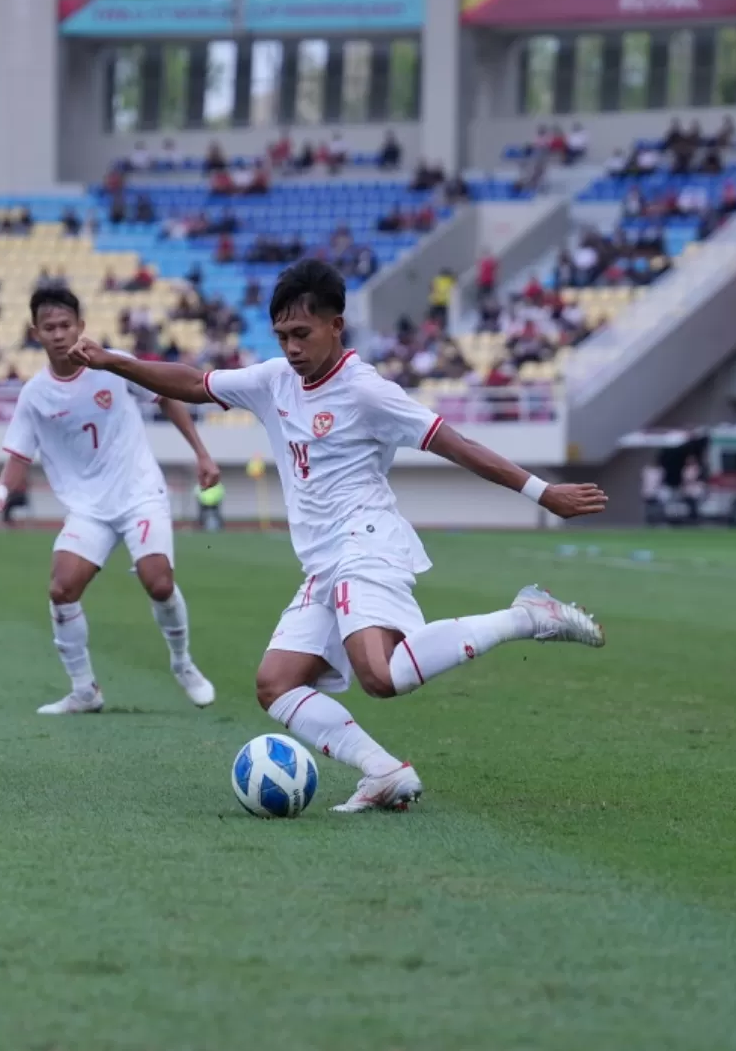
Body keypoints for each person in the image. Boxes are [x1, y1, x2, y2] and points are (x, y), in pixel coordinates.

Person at [67, 260, 608, 813]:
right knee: (275, 684)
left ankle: (527, 615)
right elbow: (194, 383)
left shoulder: (366, 391)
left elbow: (458, 444)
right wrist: (115, 362)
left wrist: (544, 493)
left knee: (383, 675)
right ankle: (384, 772)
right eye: (282, 336)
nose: (292, 347)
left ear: (336, 326)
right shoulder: (274, 380)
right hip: (324, 561)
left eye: (302, 334)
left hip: (366, 543)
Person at [0, 287, 220, 714]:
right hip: (90, 507)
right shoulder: (35, 394)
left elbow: (165, 395)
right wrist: (0, 493)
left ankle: (183, 664)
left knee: (159, 581)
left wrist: (201, 452)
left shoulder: (110, 365)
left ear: (81, 326)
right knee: (61, 588)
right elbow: (19, 453)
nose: (58, 334)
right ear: (35, 332)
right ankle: (84, 690)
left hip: (138, 491)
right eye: (49, 327)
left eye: (65, 325)